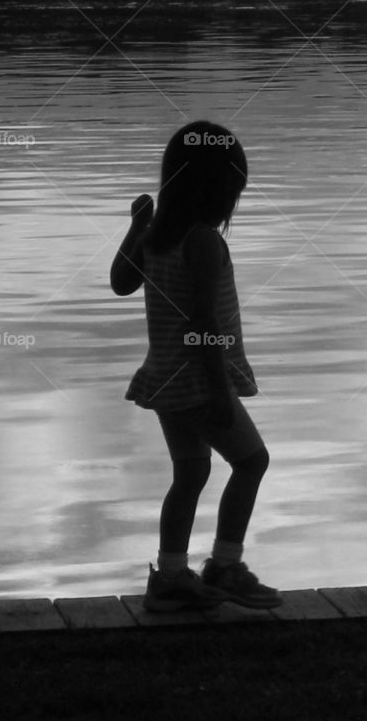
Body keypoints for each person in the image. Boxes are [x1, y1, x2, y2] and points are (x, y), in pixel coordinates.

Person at [110, 120, 280, 613]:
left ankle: (170, 577)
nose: (235, 200)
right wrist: (222, 394)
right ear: (217, 188)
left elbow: (121, 283)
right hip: (200, 383)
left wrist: (137, 224)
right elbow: (204, 323)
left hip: (166, 380)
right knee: (251, 461)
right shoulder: (203, 241)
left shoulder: (158, 234)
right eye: (234, 187)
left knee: (190, 474)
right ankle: (225, 566)